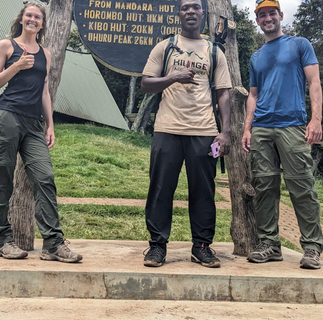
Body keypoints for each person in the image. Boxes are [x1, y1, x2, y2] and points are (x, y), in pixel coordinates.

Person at [0, 1, 82, 263]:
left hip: (33, 123)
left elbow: (44, 92)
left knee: (45, 177)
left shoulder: (45, 54)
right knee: (1, 178)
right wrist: (15, 66)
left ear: (42, 24)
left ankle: (53, 243)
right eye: (29, 15)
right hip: (7, 117)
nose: (33, 19)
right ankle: (2, 240)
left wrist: (50, 124)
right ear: (21, 18)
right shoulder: (7, 46)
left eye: (37, 17)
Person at [141, 0, 232, 268]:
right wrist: (173, 77)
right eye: (185, 8)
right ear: (179, 14)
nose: (190, 11)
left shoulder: (215, 51)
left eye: (195, 7)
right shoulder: (165, 46)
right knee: (160, 189)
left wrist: (225, 131)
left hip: (204, 131)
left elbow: (223, 93)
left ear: (203, 14)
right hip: (167, 129)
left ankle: (202, 247)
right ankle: (157, 247)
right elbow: (146, 84)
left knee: (203, 192)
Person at [241, 0, 323, 269]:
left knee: (301, 186)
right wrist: (247, 128)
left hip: (293, 125)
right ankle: (270, 244)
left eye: (271, 13)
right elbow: (253, 95)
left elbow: (314, 82)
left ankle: (312, 248)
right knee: (264, 187)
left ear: (280, 15)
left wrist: (316, 119)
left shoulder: (300, 44)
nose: (267, 18)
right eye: (262, 15)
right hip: (262, 127)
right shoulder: (256, 57)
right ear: (257, 20)